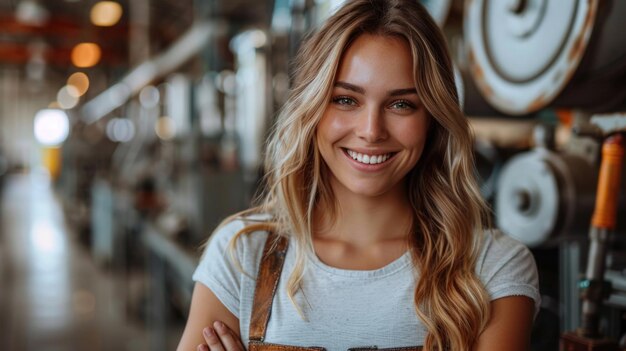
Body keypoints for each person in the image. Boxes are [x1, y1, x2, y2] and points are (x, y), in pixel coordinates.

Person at [177, 0, 540, 350]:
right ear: (312, 108)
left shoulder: (493, 268)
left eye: (402, 104)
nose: (371, 130)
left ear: (433, 119)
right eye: (346, 99)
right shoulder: (241, 253)